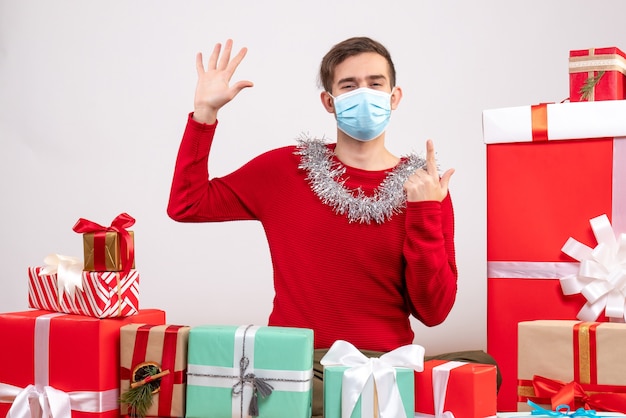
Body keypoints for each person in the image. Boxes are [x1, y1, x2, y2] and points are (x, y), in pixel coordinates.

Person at [168, 37, 499, 417]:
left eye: (375, 84)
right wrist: (203, 115)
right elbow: (187, 204)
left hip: (385, 368)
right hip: (298, 367)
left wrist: (424, 213)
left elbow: (434, 311)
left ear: (394, 97)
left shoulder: (425, 187)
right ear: (329, 101)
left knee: (485, 372)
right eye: (349, 85)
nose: (364, 94)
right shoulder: (283, 171)